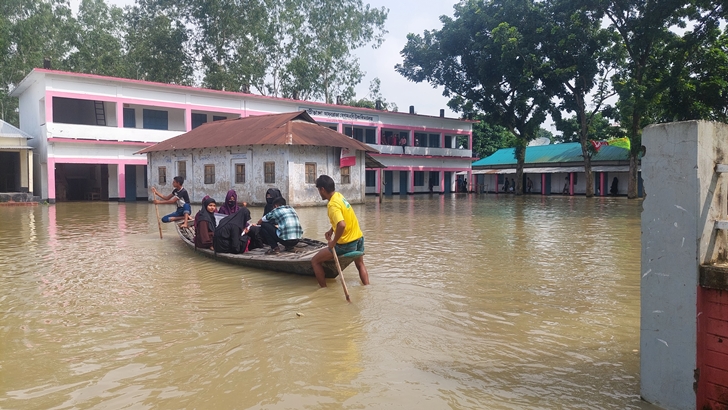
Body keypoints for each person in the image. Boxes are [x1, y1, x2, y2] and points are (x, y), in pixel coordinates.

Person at [311, 175, 369, 288]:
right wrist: (331, 230)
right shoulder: (339, 196)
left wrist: (333, 242)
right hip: (359, 238)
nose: (319, 193)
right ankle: (367, 287)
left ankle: (324, 290)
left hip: (347, 244)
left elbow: (341, 225)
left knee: (315, 261)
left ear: (322, 189)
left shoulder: (332, 205)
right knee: (360, 264)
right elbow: (342, 219)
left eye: (319, 190)